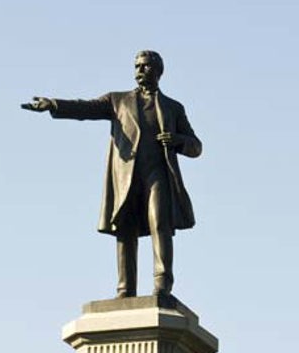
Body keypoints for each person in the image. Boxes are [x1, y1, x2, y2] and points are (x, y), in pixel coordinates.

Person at [22, 51, 201, 298]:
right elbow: (85, 108)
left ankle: (162, 285)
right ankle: (125, 289)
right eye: (137, 66)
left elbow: (196, 146)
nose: (140, 70)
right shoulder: (118, 100)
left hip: (158, 175)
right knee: (125, 229)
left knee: (160, 223)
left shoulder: (173, 108)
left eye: (145, 66)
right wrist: (54, 104)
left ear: (158, 71)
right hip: (126, 176)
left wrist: (177, 140)